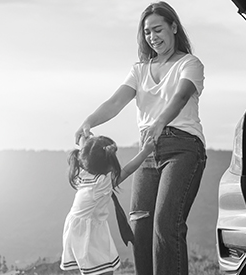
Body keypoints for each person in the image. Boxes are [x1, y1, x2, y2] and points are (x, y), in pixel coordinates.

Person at [73, 2, 206, 274]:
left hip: (182, 148)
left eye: (158, 29)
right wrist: (89, 121)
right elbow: (115, 102)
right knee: (140, 227)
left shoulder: (189, 64)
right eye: (147, 32)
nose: (152, 37)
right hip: (148, 152)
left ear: (173, 27)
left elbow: (180, 98)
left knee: (166, 224)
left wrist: (159, 122)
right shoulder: (139, 70)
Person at [61, 135, 153, 275]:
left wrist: (84, 133)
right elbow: (127, 170)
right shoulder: (101, 183)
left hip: (77, 228)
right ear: (110, 162)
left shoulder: (83, 172)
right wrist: (146, 151)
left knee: (96, 270)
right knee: (102, 270)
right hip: (89, 234)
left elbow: (83, 151)